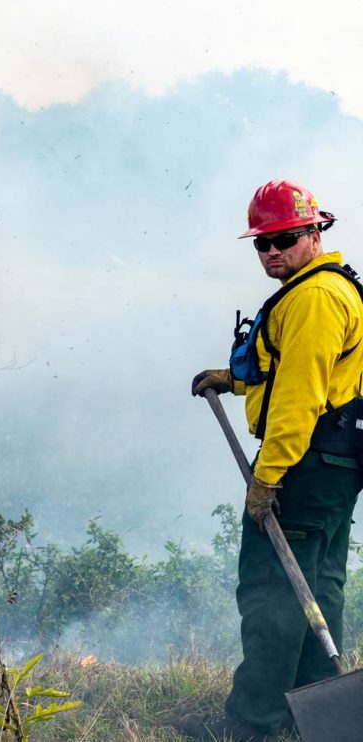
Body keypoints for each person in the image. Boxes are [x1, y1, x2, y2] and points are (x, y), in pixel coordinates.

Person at [182, 179, 363, 741]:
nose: (271, 252)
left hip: (303, 464)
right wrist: (234, 378)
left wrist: (268, 478)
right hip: (335, 463)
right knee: (316, 589)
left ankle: (255, 724)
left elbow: (299, 398)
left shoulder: (313, 298)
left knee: (271, 594)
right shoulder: (326, 287)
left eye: (284, 238)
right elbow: (294, 370)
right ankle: (317, 715)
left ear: (315, 232)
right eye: (261, 243)